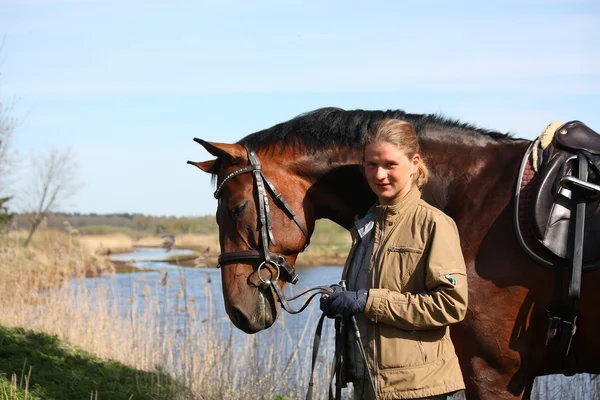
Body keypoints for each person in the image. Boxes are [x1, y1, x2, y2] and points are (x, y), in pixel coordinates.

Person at [320, 119, 468, 400]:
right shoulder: (366, 225)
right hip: (370, 386)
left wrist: (367, 301)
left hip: (419, 389)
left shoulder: (434, 224)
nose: (379, 175)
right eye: (371, 165)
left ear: (414, 163)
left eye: (390, 164)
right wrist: (344, 296)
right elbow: (371, 289)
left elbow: (451, 305)